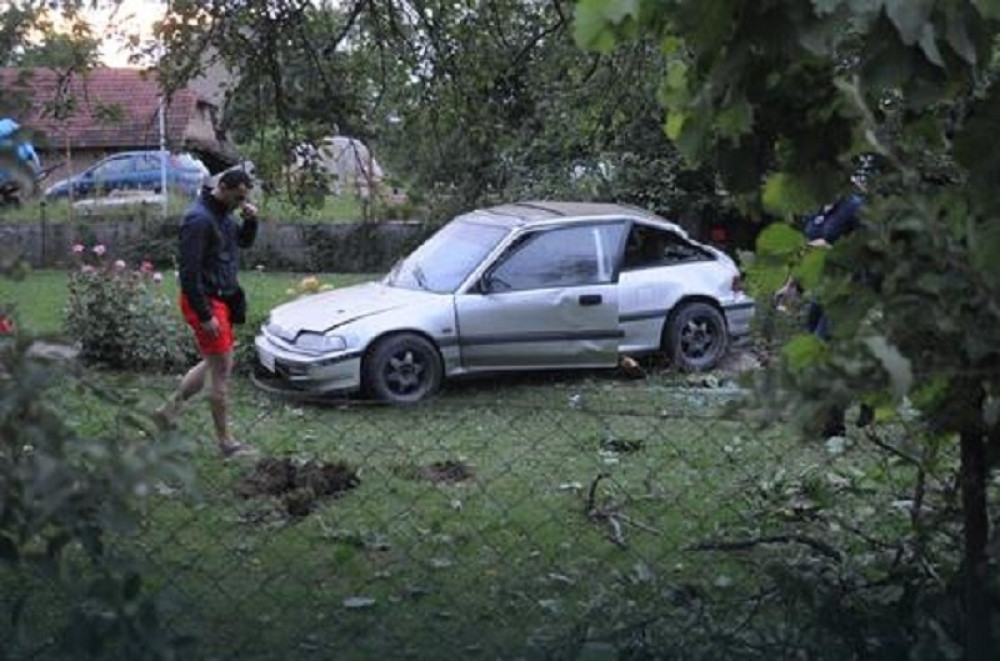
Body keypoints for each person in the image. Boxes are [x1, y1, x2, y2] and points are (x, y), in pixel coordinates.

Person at [155, 169, 260, 456]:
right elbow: (188, 273)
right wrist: (204, 314)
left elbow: (242, 242)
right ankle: (226, 442)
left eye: (244, 198)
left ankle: (166, 413)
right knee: (222, 369)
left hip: (222, 298)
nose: (241, 203)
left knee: (214, 362)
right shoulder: (199, 219)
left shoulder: (223, 214)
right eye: (238, 197)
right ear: (222, 187)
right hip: (205, 301)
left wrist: (250, 221)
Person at [776, 191, 872, 438]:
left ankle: (837, 418)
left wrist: (831, 249)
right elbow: (805, 252)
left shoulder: (854, 207)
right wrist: (791, 286)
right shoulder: (816, 211)